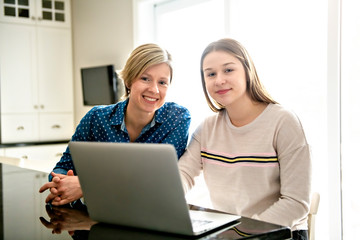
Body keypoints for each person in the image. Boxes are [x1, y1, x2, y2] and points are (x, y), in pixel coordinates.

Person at [178, 38, 311, 240]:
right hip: (231, 233)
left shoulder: (283, 122)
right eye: (211, 74)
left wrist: (247, 234)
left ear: (248, 71)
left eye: (228, 70)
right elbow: (183, 175)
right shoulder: (207, 128)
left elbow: (297, 202)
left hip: (278, 233)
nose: (219, 80)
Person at [39, 43, 191, 206]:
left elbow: (159, 180)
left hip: (150, 212)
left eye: (162, 82)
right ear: (128, 81)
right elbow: (63, 166)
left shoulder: (177, 118)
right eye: (145, 78)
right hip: (101, 213)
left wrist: (86, 186)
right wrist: (60, 184)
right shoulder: (96, 118)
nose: (154, 89)